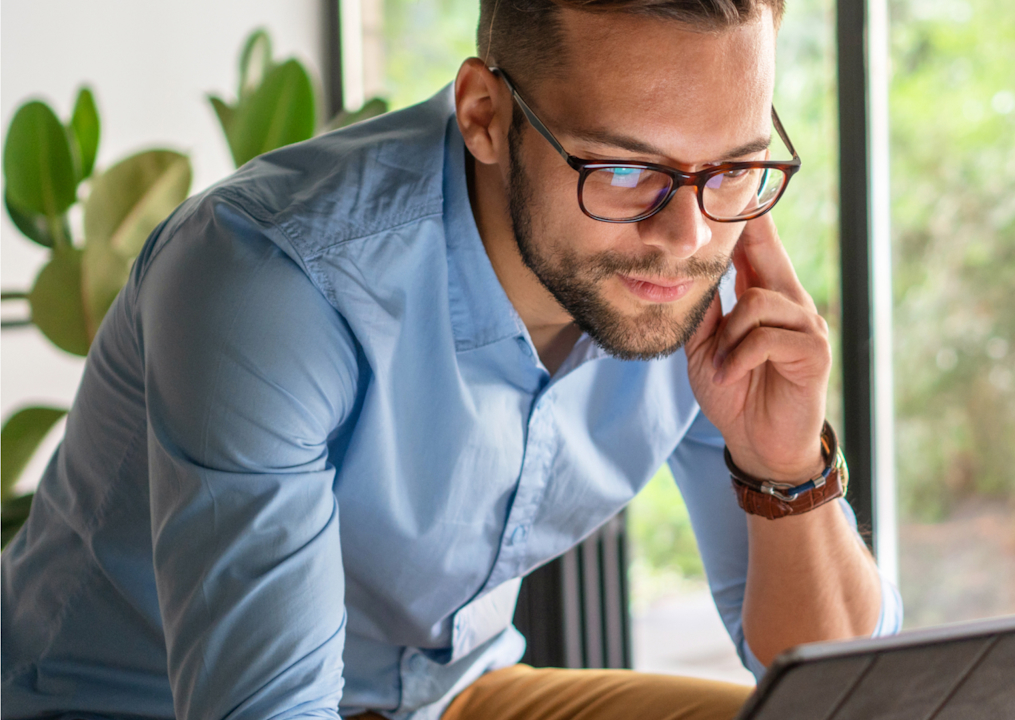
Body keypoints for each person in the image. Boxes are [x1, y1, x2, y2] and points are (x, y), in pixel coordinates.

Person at [0, 0, 901, 717]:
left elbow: (846, 695)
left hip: (452, 696)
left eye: (734, 169)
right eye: (626, 171)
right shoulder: (273, 278)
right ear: (485, 115)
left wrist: (785, 468)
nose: (687, 234)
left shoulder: (705, 259)